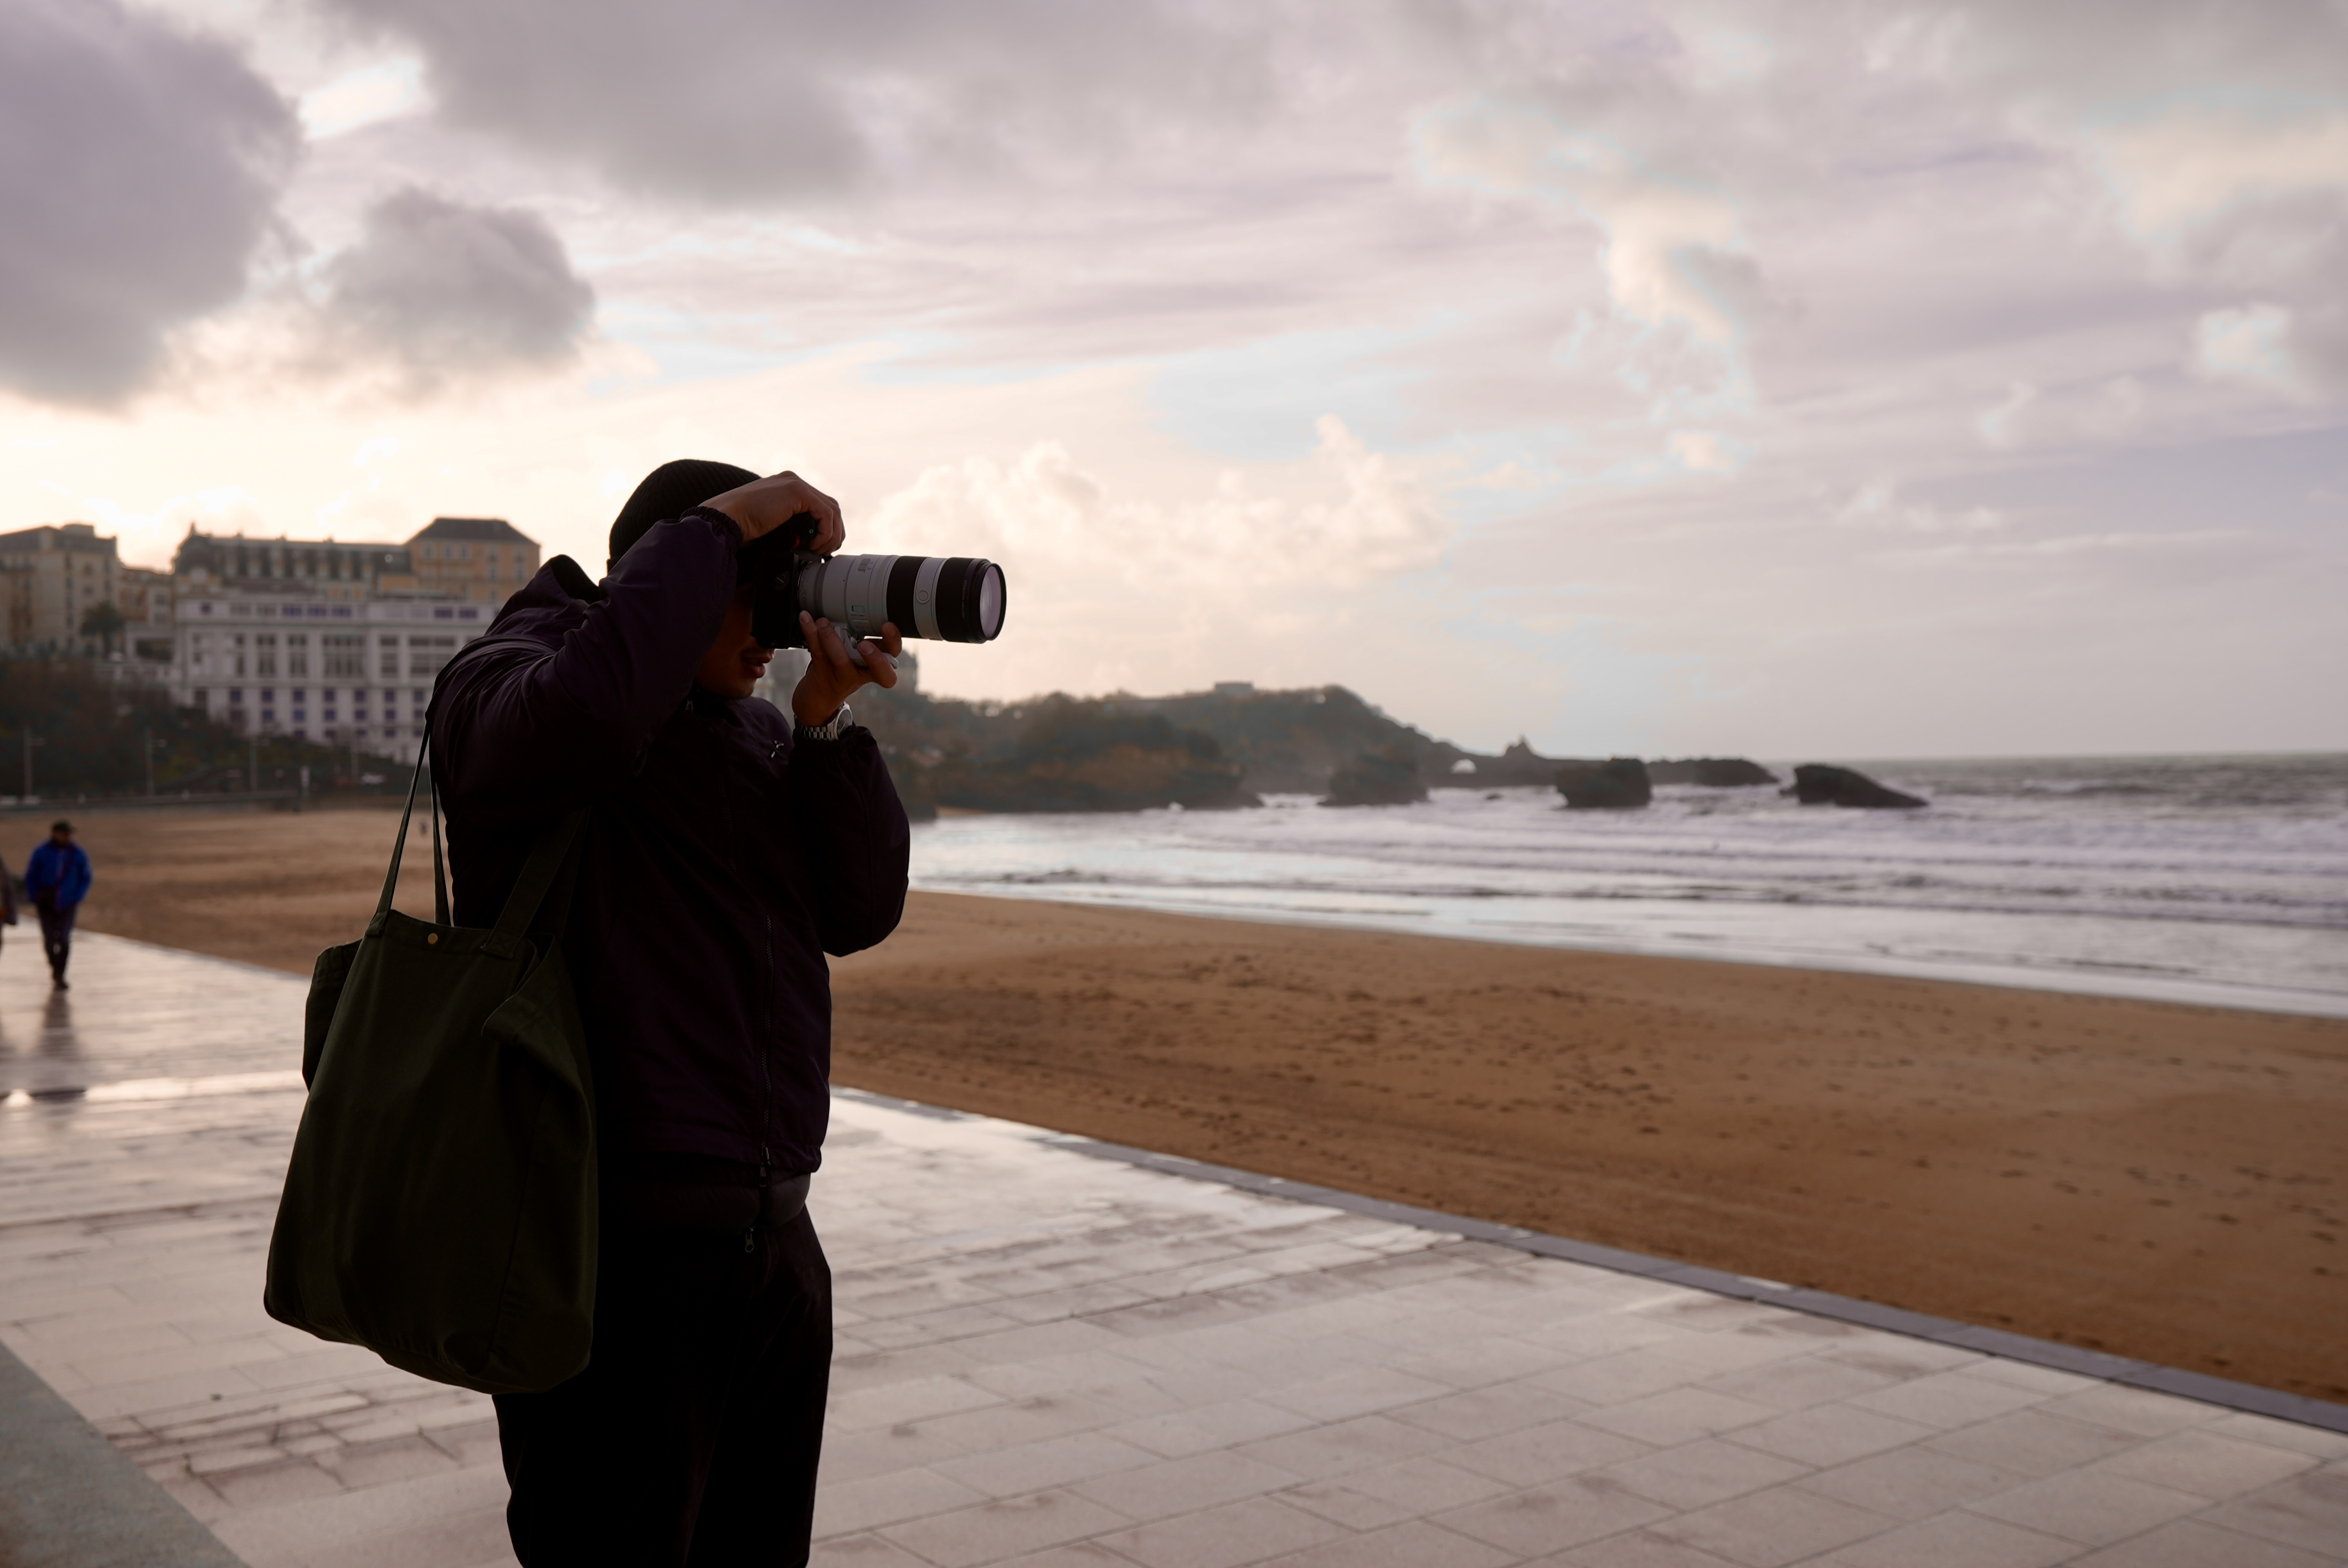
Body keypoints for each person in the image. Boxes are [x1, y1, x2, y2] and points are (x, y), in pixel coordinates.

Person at [429, 459, 910, 1567]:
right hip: (606, 1250)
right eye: (762, 598)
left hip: (772, 1236)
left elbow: (859, 909)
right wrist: (724, 525)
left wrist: (826, 732)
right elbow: (593, 716)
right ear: (675, 572)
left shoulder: (747, 730)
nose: (777, 633)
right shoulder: (510, 681)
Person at [24, 820, 92, 990]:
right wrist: (34, 896)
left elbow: (86, 876)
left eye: (69, 834)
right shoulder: (41, 852)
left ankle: (61, 974)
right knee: (49, 940)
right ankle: (55, 967)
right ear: (55, 833)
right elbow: (31, 876)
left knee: (63, 938)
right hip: (46, 903)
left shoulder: (77, 853)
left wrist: (78, 896)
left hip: (68, 903)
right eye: (65, 833)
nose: (68, 837)